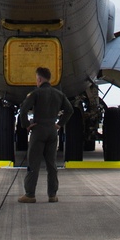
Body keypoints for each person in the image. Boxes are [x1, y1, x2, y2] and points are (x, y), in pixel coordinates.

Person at [18, 66, 73, 203]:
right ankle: (52, 195)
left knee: (33, 164)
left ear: (39, 79)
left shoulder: (36, 93)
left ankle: (30, 194)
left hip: (38, 130)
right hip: (52, 131)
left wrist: (26, 125)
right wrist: (59, 124)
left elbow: (23, 110)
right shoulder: (59, 94)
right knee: (52, 164)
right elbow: (70, 110)